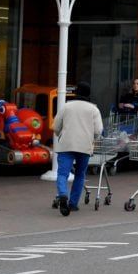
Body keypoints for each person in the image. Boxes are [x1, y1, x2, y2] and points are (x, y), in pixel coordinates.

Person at [52, 81, 103, 216]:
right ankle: (73, 204)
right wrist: (92, 138)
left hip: (66, 145)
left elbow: (56, 126)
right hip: (84, 145)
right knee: (80, 175)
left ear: (76, 92)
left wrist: (59, 134)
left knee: (63, 174)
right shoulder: (94, 109)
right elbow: (98, 130)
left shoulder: (66, 107)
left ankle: (63, 194)